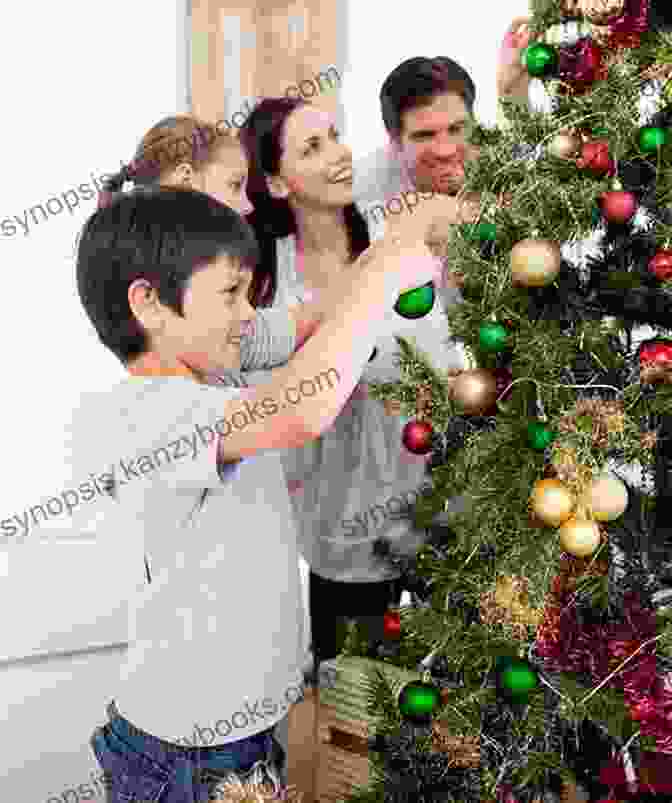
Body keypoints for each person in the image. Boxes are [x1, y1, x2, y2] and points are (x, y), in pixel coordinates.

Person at [79, 187, 440, 801]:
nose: (248, 312)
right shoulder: (144, 413)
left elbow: (312, 319)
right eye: (229, 294)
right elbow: (301, 409)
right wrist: (382, 275)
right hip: (185, 751)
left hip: (237, 732)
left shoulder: (216, 361)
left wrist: (389, 251)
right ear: (150, 305)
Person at [239, 97, 480, 673]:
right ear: (275, 181)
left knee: (468, 711)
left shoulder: (400, 235)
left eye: (336, 137)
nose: (339, 155)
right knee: (355, 718)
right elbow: (291, 404)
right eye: (313, 147)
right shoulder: (261, 283)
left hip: (444, 513)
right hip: (346, 539)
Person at [352, 18, 535, 209]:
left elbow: (533, 157)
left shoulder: (493, 154)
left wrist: (514, 92)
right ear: (395, 142)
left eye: (456, 129)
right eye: (425, 135)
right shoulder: (364, 189)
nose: (445, 150)